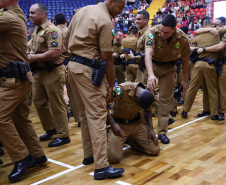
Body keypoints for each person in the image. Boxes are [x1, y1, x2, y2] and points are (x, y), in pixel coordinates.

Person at [65, 0, 126, 180]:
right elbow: (108, 58)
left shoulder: (83, 10)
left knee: (85, 114)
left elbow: (66, 38)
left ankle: (88, 155)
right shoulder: (106, 20)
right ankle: (101, 167)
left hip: (73, 66)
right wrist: (110, 84)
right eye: (120, 7)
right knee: (98, 115)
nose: (121, 12)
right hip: (89, 71)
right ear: (111, 1)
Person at [0, 0, 47, 182]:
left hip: (14, 80)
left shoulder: (9, 17)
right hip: (18, 77)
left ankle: (22, 157)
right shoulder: (13, 14)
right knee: (20, 119)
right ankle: (37, 155)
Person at [29, 3, 70, 147]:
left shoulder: (52, 30)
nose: (30, 15)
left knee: (56, 104)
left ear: (42, 14)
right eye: (29, 13)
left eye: (33, 13)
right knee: (38, 102)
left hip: (53, 71)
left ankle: (63, 135)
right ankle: (50, 128)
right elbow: (29, 47)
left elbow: (55, 53)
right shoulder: (37, 31)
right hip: (39, 73)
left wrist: (33, 57)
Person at [145, 14, 190, 144]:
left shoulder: (183, 39)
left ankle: (162, 132)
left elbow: (186, 60)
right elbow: (148, 52)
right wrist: (150, 74)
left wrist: (185, 80)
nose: (163, 34)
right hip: (152, 66)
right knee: (146, 97)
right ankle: (144, 129)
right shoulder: (153, 32)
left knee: (165, 100)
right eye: (162, 31)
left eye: (166, 32)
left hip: (169, 69)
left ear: (174, 30)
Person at [107, 82, 160, 163]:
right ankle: (109, 138)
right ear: (137, 96)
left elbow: (148, 111)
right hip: (119, 125)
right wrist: (113, 124)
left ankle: (130, 140)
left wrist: (151, 129)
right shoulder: (122, 90)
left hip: (136, 124)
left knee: (155, 150)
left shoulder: (146, 94)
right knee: (113, 158)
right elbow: (103, 103)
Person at [181, 16, 220, 120]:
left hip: (198, 65)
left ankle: (185, 111)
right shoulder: (217, 35)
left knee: (192, 88)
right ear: (211, 24)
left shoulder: (198, 36)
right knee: (212, 89)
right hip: (210, 65)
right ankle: (214, 114)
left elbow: (191, 47)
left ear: (202, 25)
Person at [194, 18, 226, 120]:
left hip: (223, 62)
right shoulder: (212, 32)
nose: (213, 26)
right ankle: (207, 109)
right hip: (214, 62)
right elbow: (196, 31)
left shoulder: (224, 34)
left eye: (216, 25)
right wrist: (209, 29)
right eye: (212, 24)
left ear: (223, 25)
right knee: (207, 88)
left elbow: (220, 47)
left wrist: (204, 49)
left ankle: (222, 111)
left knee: (221, 88)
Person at [54, 12, 80, 123]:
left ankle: (64, 115)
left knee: (58, 94)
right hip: (72, 62)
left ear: (54, 22)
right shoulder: (74, 31)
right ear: (66, 21)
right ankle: (79, 119)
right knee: (74, 93)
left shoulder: (53, 31)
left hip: (58, 64)